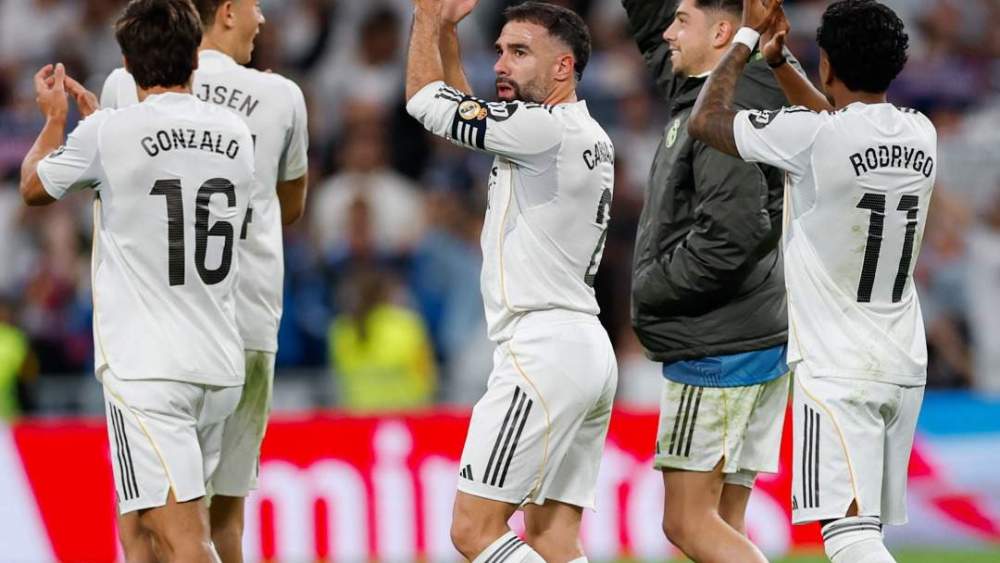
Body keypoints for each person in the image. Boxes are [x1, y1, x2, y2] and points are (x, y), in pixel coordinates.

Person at [689, 1, 936, 562]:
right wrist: (784, 67)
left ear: (827, 64)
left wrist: (748, 37)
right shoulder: (921, 134)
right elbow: (839, 128)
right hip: (902, 363)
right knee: (864, 529)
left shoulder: (813, 138)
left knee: (847, 537)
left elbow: (707, 121)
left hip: (838, 366)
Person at [19, 0, 255, 561]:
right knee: (138, 529)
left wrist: (57, 121)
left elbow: (33, 186)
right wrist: (103, 131)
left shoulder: (109, 133)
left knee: (183, 537)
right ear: (193, 57)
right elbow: (162, 169)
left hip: (149, 370)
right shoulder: (235, 132)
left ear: (126, 62)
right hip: (217, 361)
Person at [405, 0, 618, 561]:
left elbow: (426, 102)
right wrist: (450, 33)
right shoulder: (574, 131)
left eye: (519, 53)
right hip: (583, 348)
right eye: (498, 50)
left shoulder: (542, 130)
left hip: (543, 350)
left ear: (562, 68)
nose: (500, 63)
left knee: (474, 529)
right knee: (552, 538)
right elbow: (466, 113)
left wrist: (426, 16)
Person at [101, 0, 309, 560]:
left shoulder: (125, 86)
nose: (261, 18)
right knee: (224, 521)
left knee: (146, 521)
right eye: (253, 4)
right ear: (222, 12)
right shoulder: (282, 96)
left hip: (157, 337)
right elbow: (290, 207)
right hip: (247, 324)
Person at [620, 0, 791, 560]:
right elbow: (652, 29)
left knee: (688, 522)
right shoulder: (716, 89)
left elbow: (732, 233)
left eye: (683, 19)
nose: (668, 30)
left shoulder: (728, 105)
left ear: (722, 32)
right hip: (752, 332)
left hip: (720, 346)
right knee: (721, 521)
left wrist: (653, 286)